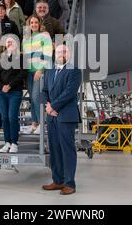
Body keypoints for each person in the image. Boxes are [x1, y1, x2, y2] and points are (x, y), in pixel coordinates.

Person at [42, 44, 82, 195]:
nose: (61, 53)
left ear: (69, 54)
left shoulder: (74, 71)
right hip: (52, 117)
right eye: (59, 51)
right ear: (55, 54)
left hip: (66, 116)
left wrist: (54, 107)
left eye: (64, 51)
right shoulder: (50, 71)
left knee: (67, 150)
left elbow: (69, 93)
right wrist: (48, 107)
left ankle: (70, 183)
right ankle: (58, 181)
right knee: (54, 149)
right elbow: (44, 91)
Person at [0, 35, 27, 153]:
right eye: (7, 42)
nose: (9, 44)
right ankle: (7, 142)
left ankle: (14, 143)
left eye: (12, 42)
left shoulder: (21, 57)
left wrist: (10, 85)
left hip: (14, 92)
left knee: (12, 117)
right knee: (5, 117)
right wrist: (2, 86)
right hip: (1, 92)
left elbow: (23, 73)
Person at [22, 15, 53, 134]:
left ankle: (42, 123)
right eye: (31, 23)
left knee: (36, 97)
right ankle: (34, 123)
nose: (34, 24)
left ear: (39, 24)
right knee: (31, 98)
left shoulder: (44, 36)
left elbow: (48, 53)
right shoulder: (26, 38)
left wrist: (40, 69)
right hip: (29, 72)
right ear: (28, 25)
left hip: (39, 71)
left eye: (36, 22)